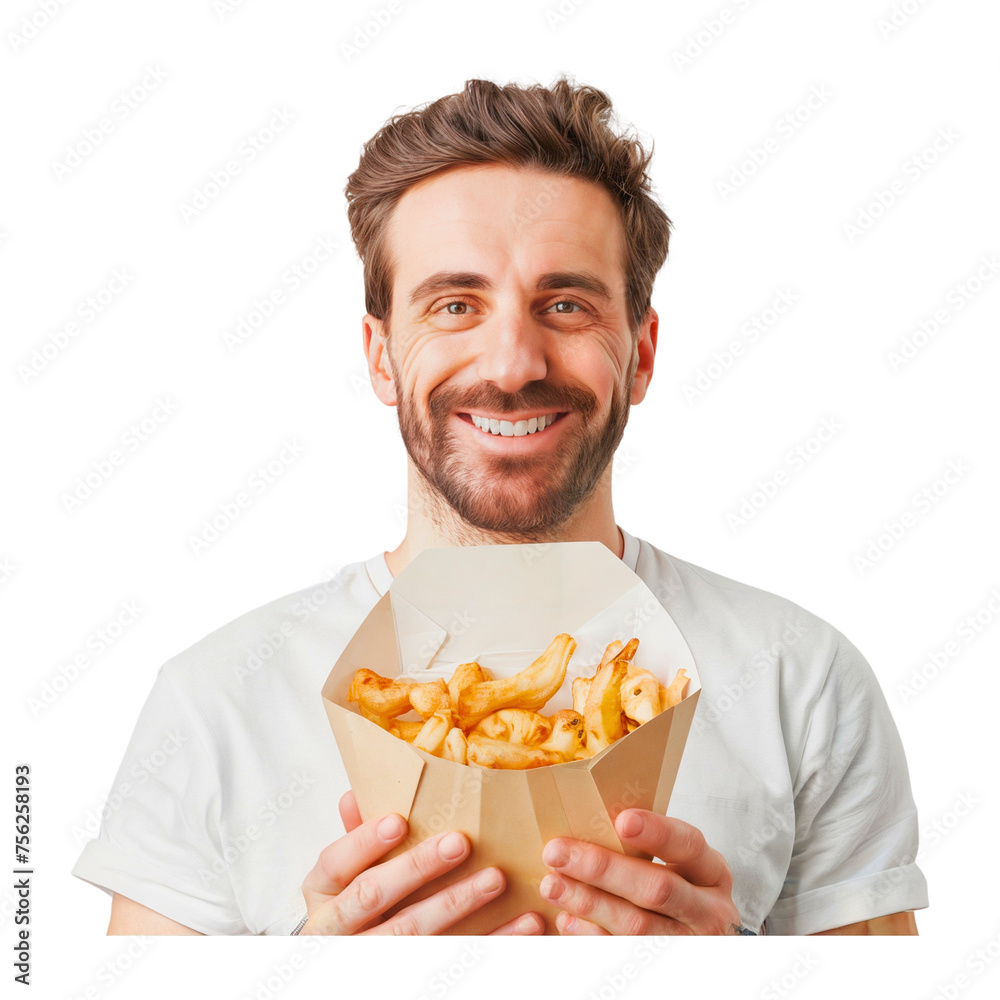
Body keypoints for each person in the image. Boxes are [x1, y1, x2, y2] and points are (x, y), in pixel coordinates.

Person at [72, 76, 928, 936]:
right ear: (379, 356)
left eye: (565, 304)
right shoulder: (212, 704)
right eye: (455, 305)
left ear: (640, 353)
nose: (513, 362)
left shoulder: (803, 682)